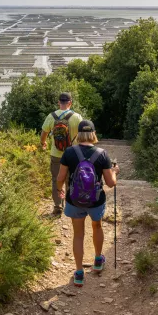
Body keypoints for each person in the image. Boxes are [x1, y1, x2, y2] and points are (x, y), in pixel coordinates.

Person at [56, 120, 120, 287]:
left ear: (78, 133)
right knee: (97, 226)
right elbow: (111, 183)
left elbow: (60, 178)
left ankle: (78, 273)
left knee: (78, 234)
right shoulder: (102, 154)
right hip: (95, 201)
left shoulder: (69, 152)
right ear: (93, 133)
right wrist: (115, 172)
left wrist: (59, 190)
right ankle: (98, 261)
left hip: (74, 199)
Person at [41, 92, 83, 215]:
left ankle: (58, 206)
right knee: (72, 179)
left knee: (56, 180)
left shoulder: (51, 116)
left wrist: (43, 143)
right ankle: (71, 205)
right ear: (70, 103)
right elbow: (83, 136)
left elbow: (44, 133)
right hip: (73, 154)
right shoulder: (77, 117)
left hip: (56, 154)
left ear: (59, 102)